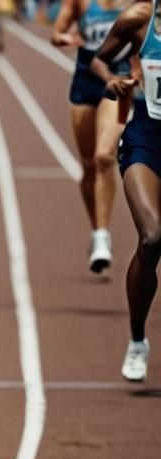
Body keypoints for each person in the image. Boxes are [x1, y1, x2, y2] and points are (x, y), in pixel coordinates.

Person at [93, 0, 161, 380]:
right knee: (151, 238)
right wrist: (111, 80)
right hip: (147, 140)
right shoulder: (139, 19)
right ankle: (137, 339)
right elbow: (99, 59)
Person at [53, 0, 131, 273]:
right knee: (88, 165)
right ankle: (97, 228)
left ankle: (102, 237)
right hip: (84, 82)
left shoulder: (135, 4)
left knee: (104, 156)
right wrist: (64, 38)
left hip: (118, 81)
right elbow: (57, 32)